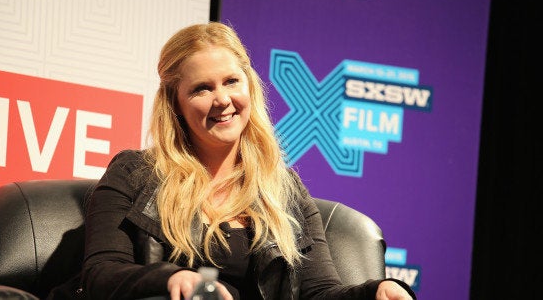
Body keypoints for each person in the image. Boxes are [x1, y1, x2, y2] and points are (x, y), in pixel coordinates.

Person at [68, 21, 417, 300]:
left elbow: (317, 292)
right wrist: (173, 277)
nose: (223, 99)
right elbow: (101, 274)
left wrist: (375, 291)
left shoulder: (283, 189)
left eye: (232, 81)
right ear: (175, 104)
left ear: (248, 86)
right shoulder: (136, 174)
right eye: (202, 89)